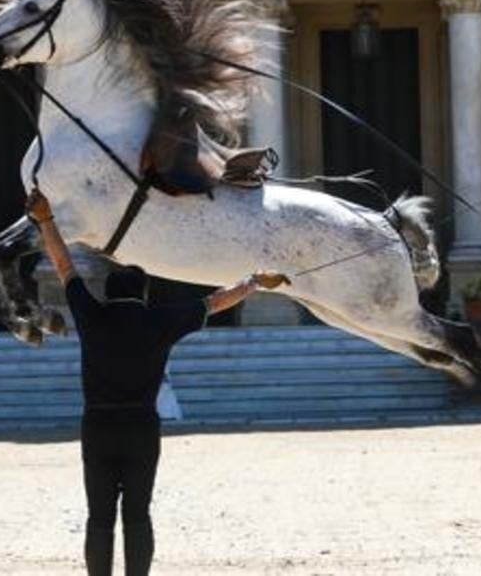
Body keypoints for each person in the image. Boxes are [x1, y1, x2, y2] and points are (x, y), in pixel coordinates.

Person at [26, 192, 288, 576]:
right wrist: (253, 282)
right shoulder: (159, 321)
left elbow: (64, 265)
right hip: (141, 425)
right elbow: (214, 302)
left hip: (97, 425)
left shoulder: (91, 314)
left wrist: (47, 221)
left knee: (98, 516)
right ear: (144, 294)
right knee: (138, 514)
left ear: (109, 292)